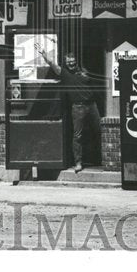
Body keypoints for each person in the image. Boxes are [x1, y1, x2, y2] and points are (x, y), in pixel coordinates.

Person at [34, 41, 98, 173]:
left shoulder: (84, 72)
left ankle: (99, 159)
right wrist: (44, 54)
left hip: (92, 106)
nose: (71, 63)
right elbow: (52, 64)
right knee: (77, 136)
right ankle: (78, 163)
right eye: (68, 62)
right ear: (66, 62)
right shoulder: (64, 74)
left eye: (73, 61)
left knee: (98, 131)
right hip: (78, 108)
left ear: (76, 61)